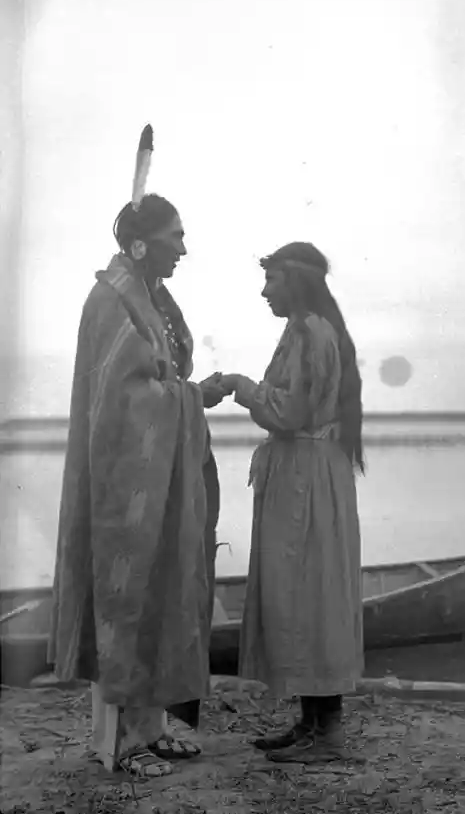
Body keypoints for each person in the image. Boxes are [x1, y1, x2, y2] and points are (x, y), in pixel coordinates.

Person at [48, 126, 230, 779]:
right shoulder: (112, 302)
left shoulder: (143, 299)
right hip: (125, 488)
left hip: (156, 483)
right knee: (126, 601)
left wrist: (183, 393)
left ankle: (149, 727)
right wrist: (191, 396)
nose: (185, 247)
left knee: (159, 596)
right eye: (176, 236)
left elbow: (158, 376)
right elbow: (125, 400)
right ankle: (116, 744)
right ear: (142, 242)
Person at [215, 241, 364, 764]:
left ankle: (328, 734)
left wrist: (239, 385)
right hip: (306, 474)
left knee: (311, 596)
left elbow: (289, 411)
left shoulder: (309, 332)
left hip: (306, 478)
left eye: (272, 280)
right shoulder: (310, 329)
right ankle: (311, 723)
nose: (264, 290)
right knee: (305, 595)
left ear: (295, 282)